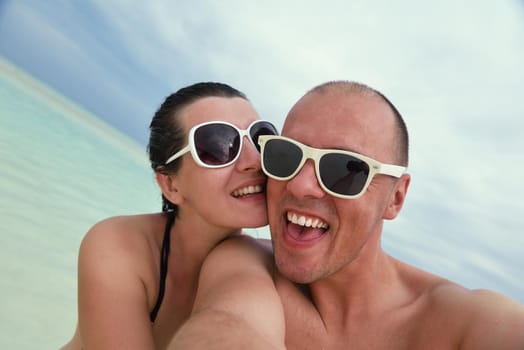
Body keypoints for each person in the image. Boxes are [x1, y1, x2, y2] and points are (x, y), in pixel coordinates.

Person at [171, 80, 524, 349]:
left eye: (345, 169)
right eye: (286, 155)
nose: (300, 186)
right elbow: (228, 323)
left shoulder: (468, 323)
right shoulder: (245, 263)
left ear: (395, 198)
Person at [61, 82, 279, 350]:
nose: (254, 160)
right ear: (170, 185)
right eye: (218, 146)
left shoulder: (269, 264)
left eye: (260, 138)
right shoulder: (119, 247)